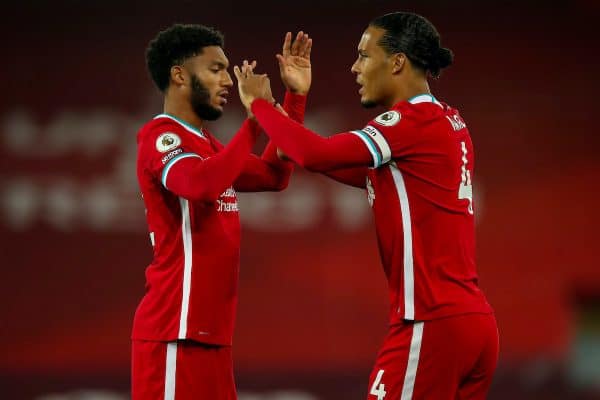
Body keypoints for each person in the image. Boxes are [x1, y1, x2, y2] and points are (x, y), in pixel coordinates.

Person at [235, 12, 498, 400]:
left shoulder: (410, 123)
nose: (354, 67)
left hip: (430, 322)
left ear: (397, 62)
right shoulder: (447, 122)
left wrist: (261, 106)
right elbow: (315, 158)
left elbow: (313, 154)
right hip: (473, 325)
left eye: (364, 56)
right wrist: (295, 98)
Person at [131, 24, 311, 400]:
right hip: (173, 335)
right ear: (179, 74)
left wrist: (293, 98)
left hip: (211, 338)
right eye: (215, 69)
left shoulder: (207, 145)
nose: (228, 80)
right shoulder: (160, 136)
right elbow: (199, 185)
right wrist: (252, 122)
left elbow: (275, 175)